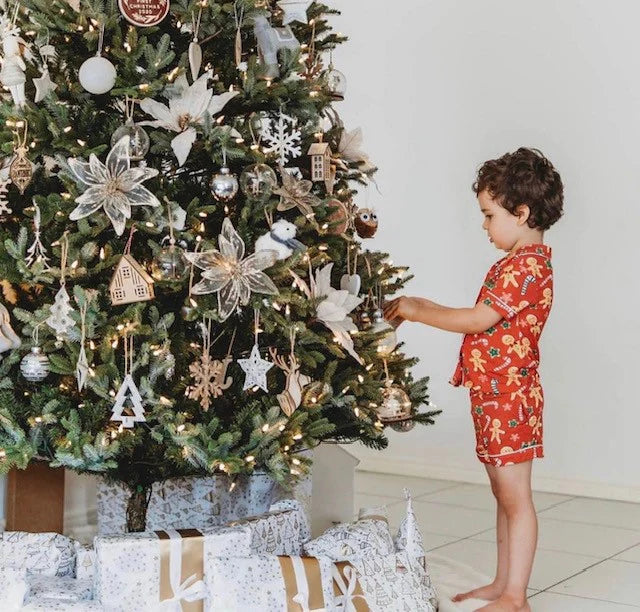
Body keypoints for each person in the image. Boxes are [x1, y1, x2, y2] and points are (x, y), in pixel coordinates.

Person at [383, 147, 564, 612]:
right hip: (493, 395)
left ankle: (516, 596)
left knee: (516, 498)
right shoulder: (514, 263)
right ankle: (504, 583)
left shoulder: (528, 267)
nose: (485, 226)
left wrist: (419, 308)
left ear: (521, 212)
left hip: (511, 397)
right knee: (502, 493)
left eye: (489, 216)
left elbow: (479, 319)